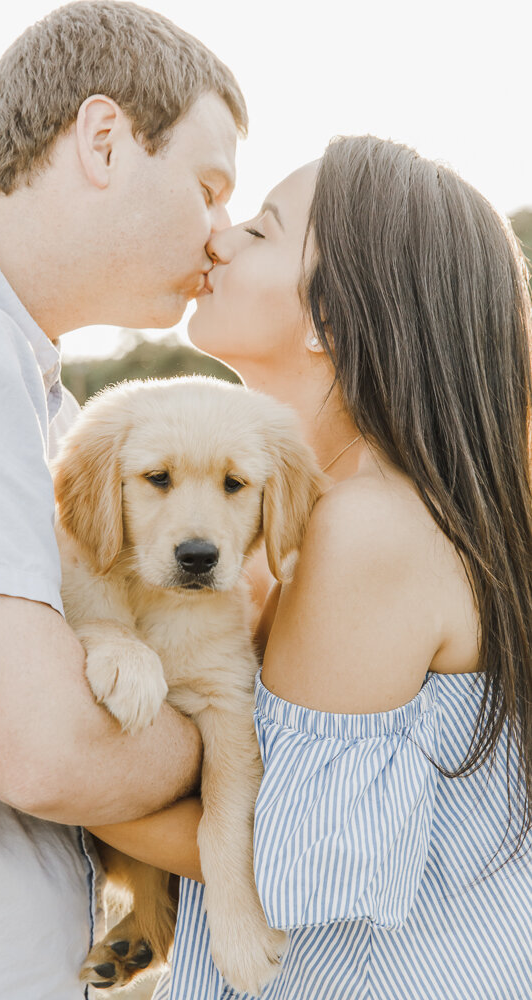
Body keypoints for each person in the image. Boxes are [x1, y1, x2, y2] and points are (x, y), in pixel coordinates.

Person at [91, 136, 532, 999]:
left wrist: (22, 752)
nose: (218, 238)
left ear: (326, 322)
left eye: (259, 231)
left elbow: (285, 863)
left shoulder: (368, 531)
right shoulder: (383, 510)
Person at [0, 3, 247, 997]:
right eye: (209, 189)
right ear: (104, 139)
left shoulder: (27, 384)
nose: (219, 238)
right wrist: (232, 736)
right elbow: (45, 747)